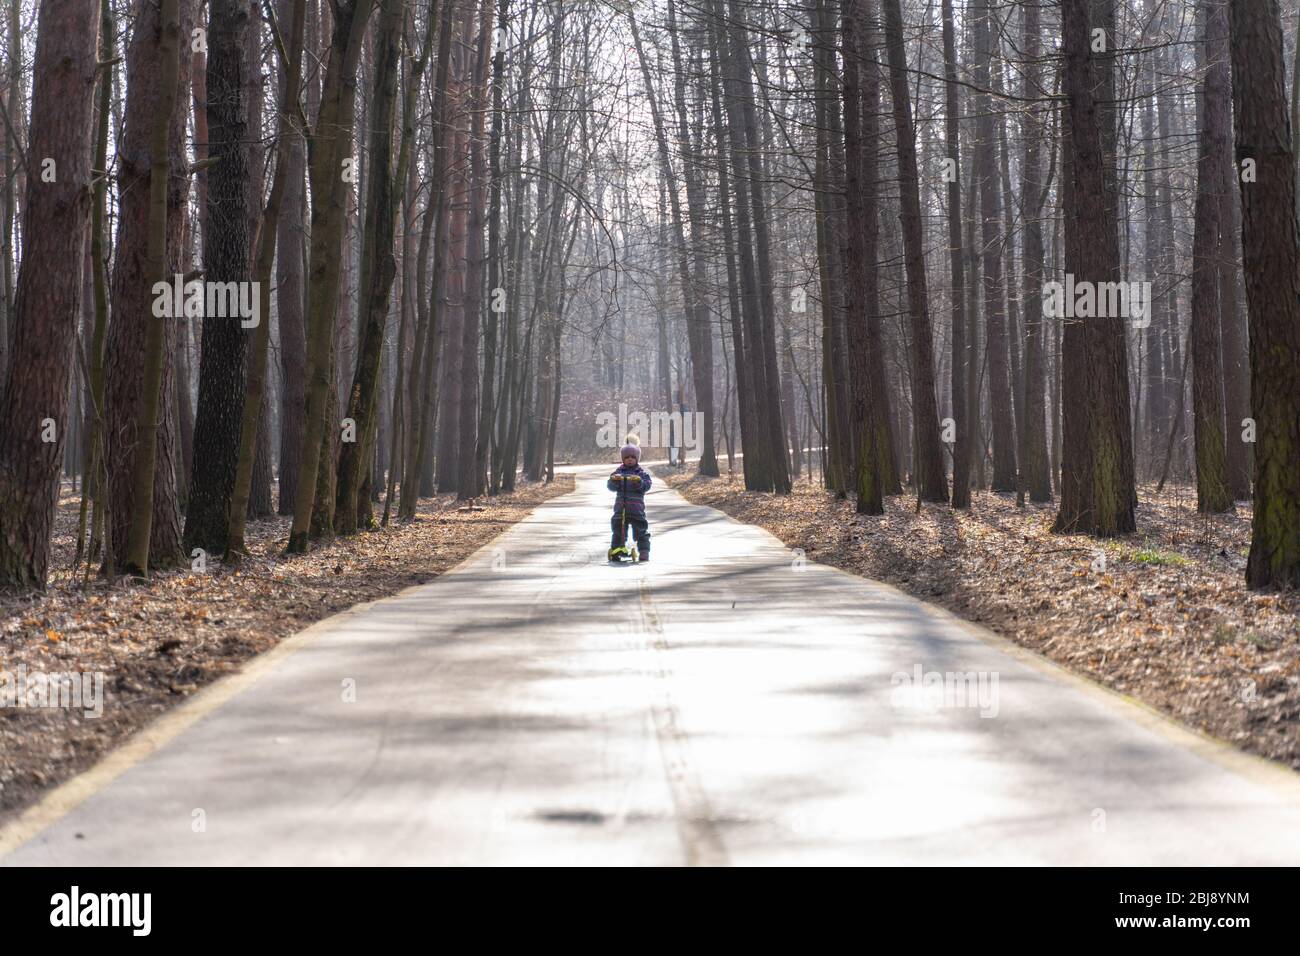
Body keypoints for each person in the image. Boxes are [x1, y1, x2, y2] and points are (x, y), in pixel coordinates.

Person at [607, 436, 652, 562]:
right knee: (618, 530)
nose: (630, 460)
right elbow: (610, 486)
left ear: (637, 459)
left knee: (641, 530)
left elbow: (647, 485)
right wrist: (614, 481)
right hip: (620, 509)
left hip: (636, 509)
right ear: (623, 459)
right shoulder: (619, 471)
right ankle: (616, 549)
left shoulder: (641, 473)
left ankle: (644, 551)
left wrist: (639, 482)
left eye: (633, 457)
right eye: (627, 458)